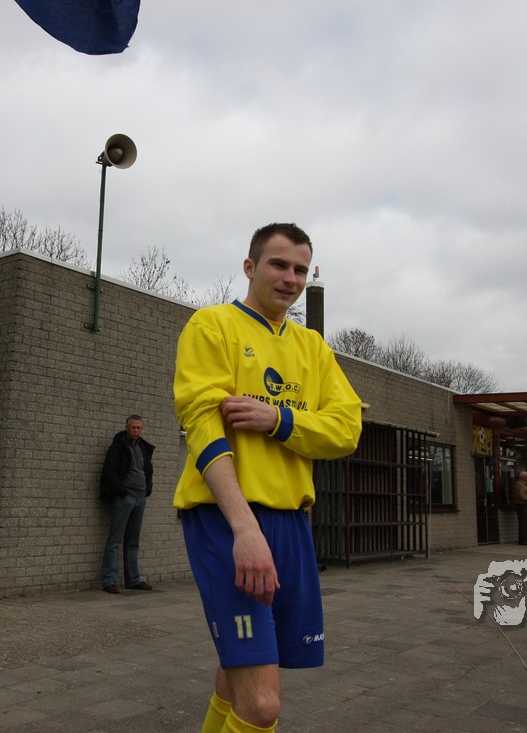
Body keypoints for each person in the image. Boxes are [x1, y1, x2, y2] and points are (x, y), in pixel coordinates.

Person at [173, 223, 362, 733]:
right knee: (262, 706)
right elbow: (202, 427)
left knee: (236, 677)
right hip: (226, 519)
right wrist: (244, 528)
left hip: (291, 523)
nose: (290, 278)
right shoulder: (212, 325)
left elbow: (346, 431)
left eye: (300, 269)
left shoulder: (313, 347)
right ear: (250, 267)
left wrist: (278, 419)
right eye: (279, 264)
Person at [98, 414, 155, 594]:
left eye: (138, 428)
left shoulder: (143, 447)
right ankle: (109, 580)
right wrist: (122, 492)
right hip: (125, 498)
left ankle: (133, 580)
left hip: (140, 498)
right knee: (115, 540)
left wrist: (148, 489)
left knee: (133, 541)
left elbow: (148, 471)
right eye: (133, 427)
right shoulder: (117, 447)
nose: (136, 430)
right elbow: (109, 472)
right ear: (126, 428)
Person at [513, 472, 527, 546]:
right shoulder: (519, 484)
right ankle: (523, 539)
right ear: (522, 477)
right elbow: (521, 495)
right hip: (521, 505)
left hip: (525, 504)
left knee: (526, 522)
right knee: (523, 523)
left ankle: (525, 539)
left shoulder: (524, 484)